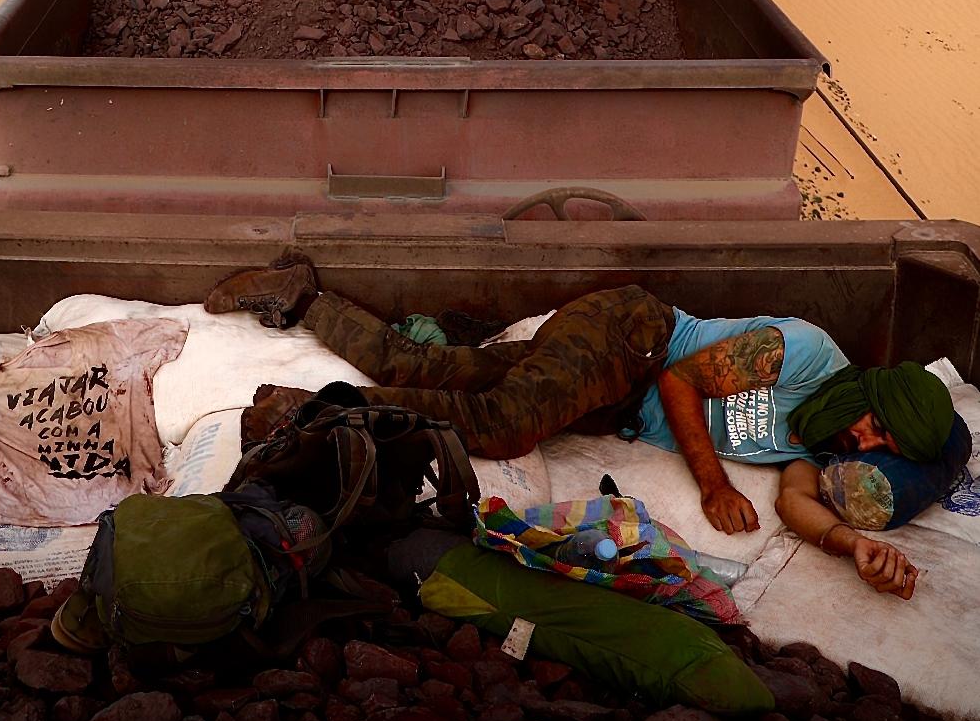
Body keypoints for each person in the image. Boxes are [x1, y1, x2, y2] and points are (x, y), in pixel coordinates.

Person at [205, 253, 957, 600]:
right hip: (635, 340)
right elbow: (681, 376)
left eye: (877, 451)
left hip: (609, 397)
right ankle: (308, 416)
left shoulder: (812, 446)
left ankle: (297, 296)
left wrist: (852, 543)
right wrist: (711, 483)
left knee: (433, 370)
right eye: (874, 427)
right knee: (501, 426)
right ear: (876, 394)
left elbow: (798, 504)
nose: (862, 442)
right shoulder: (807, 354)